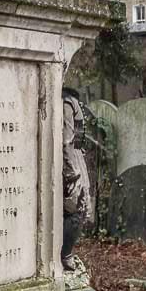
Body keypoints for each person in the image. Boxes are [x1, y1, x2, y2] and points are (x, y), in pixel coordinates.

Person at [62, 87, 92, 271]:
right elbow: (66, 140)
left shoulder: (70, 100)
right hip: (70, 163)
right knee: (76, 208)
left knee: (78, 208)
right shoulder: (67, 102)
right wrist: (71, 172)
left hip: (75, 157)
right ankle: (65, 254)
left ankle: (66, 253)